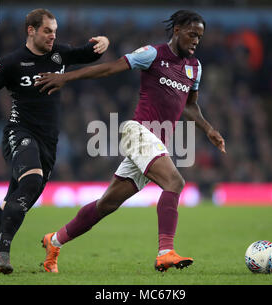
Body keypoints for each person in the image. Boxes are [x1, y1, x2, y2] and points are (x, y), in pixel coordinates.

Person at [34, 10, 226, 273]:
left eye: (200, 37)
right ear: (177, 30)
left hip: (156, 144)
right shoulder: (152, 54)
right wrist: (65, 78)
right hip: (138, 133)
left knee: (107, 205)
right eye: (192, 34)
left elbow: (190, 106)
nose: (196, 41)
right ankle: (165, 252)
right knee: (175, 182)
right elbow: (109, 68)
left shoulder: (195, 67)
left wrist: (209, 129)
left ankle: (53, 241)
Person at [0, 8, 109, 274]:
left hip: (48, 143)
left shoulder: (60, 54)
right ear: (31, 30)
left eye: (55, 32)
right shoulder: (12, 62)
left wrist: (104, 42)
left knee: (10, 212)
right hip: (20, 132)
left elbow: (89, 52)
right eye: (47, 31)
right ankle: (1, 254)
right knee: (32, 180)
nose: (52, 36)